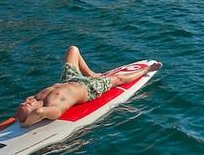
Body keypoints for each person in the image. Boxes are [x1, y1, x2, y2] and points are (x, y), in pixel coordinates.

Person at [15, 46, 161, 127]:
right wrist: (25, 123)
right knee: (118, 79)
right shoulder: (53, 107)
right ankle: (147, 70)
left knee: (73, 50)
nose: (25, 101)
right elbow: (40, 112)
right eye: (26, 105)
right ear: (33, 114)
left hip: (70, 78)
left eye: (24, 103)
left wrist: (28, 105)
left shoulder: (36, 98)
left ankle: (91, 73)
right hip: (89, 88)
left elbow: (33, 107)